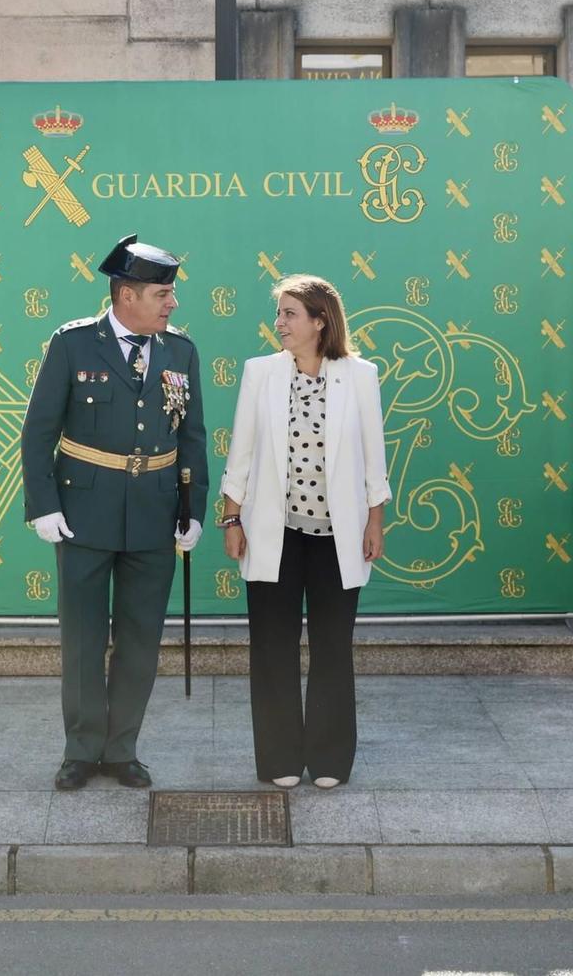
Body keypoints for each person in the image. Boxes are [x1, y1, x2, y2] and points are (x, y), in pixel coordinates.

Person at [21, 234, 207, 791]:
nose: (172, 303)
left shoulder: (180, 350)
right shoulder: (75, 344)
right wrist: (43, 505)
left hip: (153, 514)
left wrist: (192, 508)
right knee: (82, 637)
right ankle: (81, 750)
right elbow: (38, 432)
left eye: (171, 293)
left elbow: (191, 436)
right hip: (83, 511)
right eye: (161, 293)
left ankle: (122, 749)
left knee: (141, 636)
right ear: (126, 296)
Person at [220, 275, 389, 790]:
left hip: (338, 538)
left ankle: (331, 760)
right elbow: (241, 453)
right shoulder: (260, 374)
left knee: (333, 646)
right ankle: (280, 760)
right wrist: (232, 518)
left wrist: (374, 520)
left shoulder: (359, 375)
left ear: (320, 321)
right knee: (272, 646)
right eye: (280, 314)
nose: (280, 324)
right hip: (275, 534)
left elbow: (373, 458)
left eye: (291, 313)